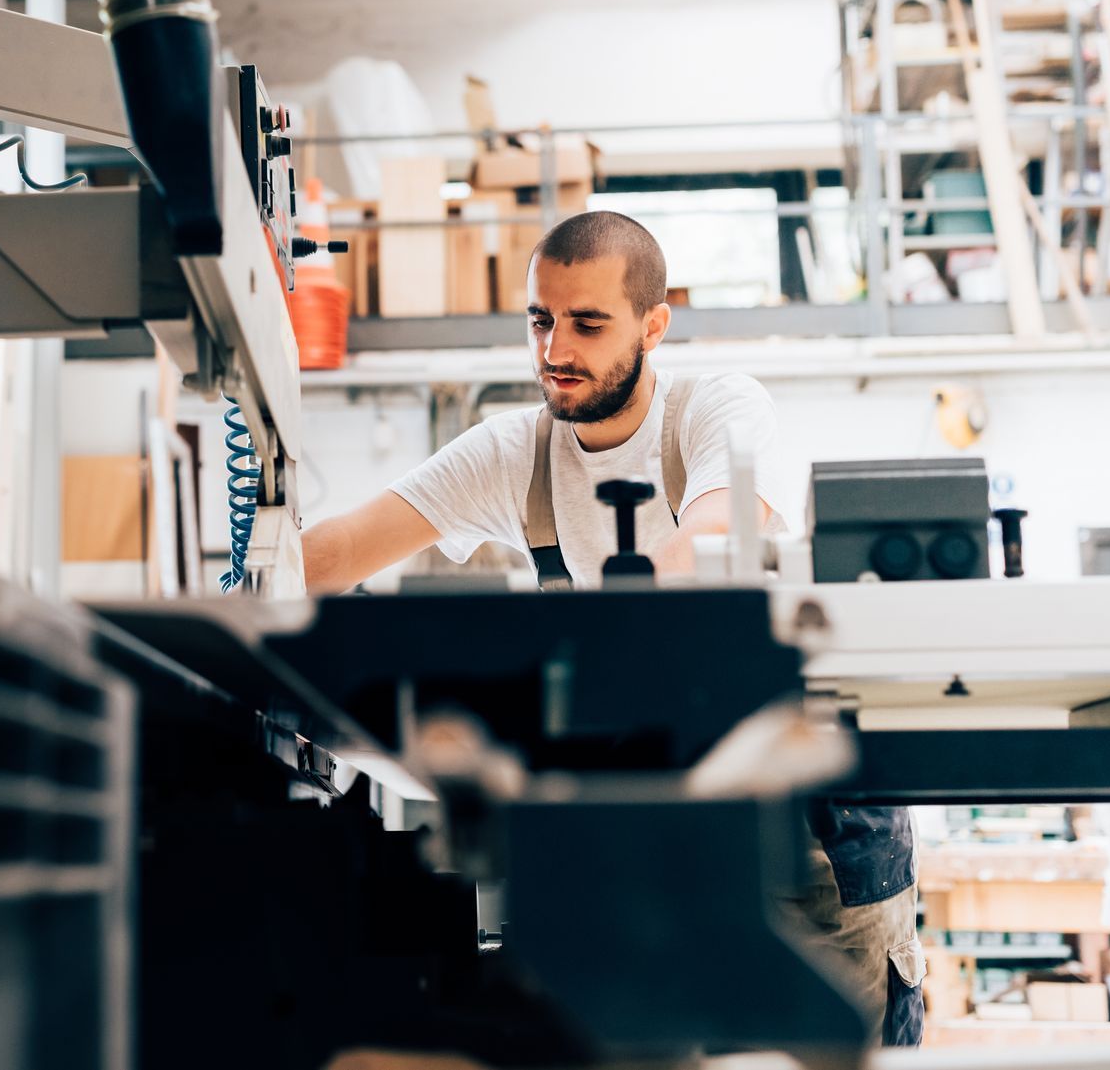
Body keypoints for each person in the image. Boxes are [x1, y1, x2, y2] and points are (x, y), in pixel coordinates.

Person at [300, 210, 924, 1045]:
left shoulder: (715, 411)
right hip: (651, 812)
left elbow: (695, 553)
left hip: (803, 825)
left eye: (587, 323)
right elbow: (338, 550)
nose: (555, 348)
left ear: (653, 324)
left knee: (827, 1044)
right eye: (540, 319)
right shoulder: (512, 453)